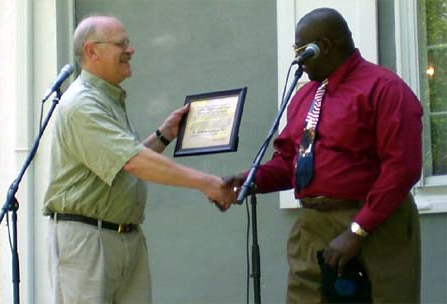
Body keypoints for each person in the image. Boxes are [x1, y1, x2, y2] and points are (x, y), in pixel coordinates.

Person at [224, 7, 423, 303]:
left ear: (325, 46)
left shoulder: (384, 88)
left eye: (301, 49)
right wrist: (254, 179)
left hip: (372, 222)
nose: (297, 58)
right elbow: (289, 161)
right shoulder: (305, 96)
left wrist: (358, 231)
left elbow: (401, 168)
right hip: (312, 224)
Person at [43, 15, 235, 304]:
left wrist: (164, 135)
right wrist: (206, 182)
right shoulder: (82, 103)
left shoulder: (106, 98)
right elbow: (133, 161)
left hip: (124, 237)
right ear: (92, 51)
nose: (130, 50)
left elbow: (122, 162)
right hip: (88, 241)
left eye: (128, 43)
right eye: (121, 44)